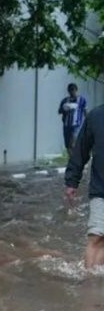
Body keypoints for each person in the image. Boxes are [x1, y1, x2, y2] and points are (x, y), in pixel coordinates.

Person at [63, 103, 104, 269]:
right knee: (96, 237)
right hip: (101, 190)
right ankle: (88, 284)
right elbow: (81, 149)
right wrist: (72, 181)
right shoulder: (96, 116)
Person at [59, 83, 88, 153]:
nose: (72, 92)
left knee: (72, 142)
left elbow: (85, 111)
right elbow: (59, 111)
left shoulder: (82, 100)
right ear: (68, 91)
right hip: (66, 125)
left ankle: (77, 159)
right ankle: (72, 160)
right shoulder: (65, 101)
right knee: (67, 145)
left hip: (77, 124)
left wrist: (87, 122)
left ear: (76, 90)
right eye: (70, 90)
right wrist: (64, 108)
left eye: (73, 90)